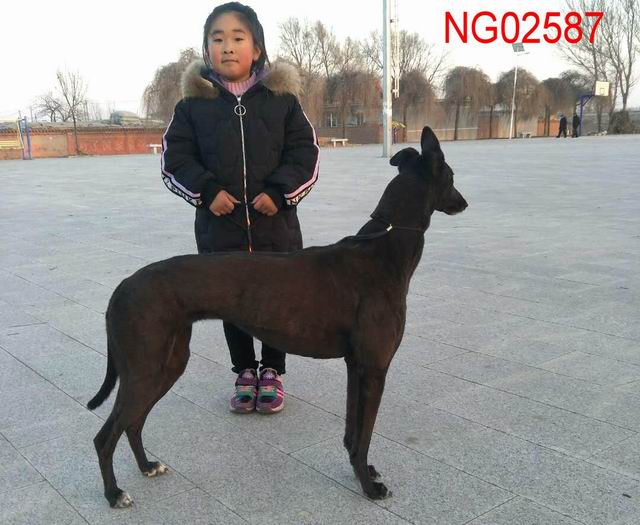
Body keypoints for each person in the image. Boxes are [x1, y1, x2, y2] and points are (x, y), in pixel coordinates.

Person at [161, 2, 319, 414]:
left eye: (237, 38)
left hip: (275, 228)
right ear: (206, 49)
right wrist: (207, 191)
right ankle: (245, 370)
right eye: (217, 39)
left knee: (278, 299)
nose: (227, 47)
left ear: (257, 48)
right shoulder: (191, 107)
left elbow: (305, 154)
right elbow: (175, 160)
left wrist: (281, 193)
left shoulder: (282, 101)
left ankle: (273, 371)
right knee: (231, 300)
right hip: (221, 229)